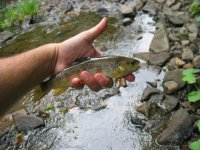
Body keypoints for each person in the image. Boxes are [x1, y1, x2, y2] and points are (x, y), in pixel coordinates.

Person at [0, 17, 135, 116]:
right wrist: (55, 56)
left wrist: (55, 56)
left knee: (77, 80)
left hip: (69, 70)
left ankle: (47, 86)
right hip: (69, 71)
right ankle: (46, 86)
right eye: (132, 63)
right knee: (74, 80)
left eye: (133, 63)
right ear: (122, 66)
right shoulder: (118, 69)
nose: (135, 65)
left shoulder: (119, 68)